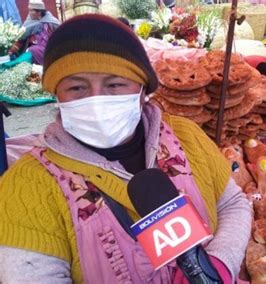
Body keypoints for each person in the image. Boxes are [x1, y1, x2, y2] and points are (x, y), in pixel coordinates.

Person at [0, 14, 251, 283]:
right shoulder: (27, 185)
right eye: (76, 87)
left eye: (115, 84)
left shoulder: (186, 137)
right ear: (56, 95)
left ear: (143, 90)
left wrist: (220, 263)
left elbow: (232, 204)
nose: (96, 99)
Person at [8, 0, 60, 65]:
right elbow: (21, 36)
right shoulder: (29, 21)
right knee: (31, 51)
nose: (29, 13)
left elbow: (61, 33)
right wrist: (11, 50)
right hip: (35, 50)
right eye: (29, 10)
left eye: (31, 10)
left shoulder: (51, 21)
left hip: (50, 48)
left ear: (39, 12)